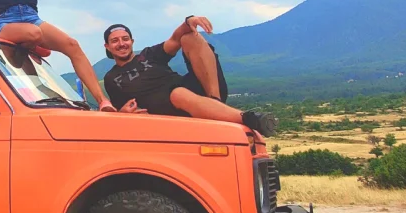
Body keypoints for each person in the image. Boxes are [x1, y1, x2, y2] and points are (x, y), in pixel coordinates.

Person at [102, 17, 278, 136]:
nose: (121, 44)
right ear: (107, 47)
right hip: (168, 110)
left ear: (132, 41)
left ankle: (215, 103)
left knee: (189, 37)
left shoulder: (148, 54)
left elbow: (175, 38)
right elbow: (117, 114)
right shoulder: (111, 78)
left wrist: (189, 21)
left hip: (201, 90)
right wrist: (123, 113)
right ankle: (249, 118)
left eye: (125, 39)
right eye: (115, 41)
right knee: (178, 94)